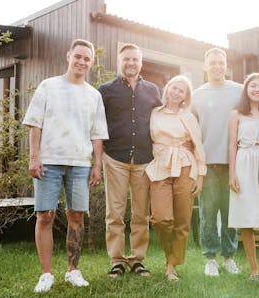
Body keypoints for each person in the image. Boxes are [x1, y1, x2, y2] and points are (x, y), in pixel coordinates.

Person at [23, 39, 108, 293]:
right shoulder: (49, 86)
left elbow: (97, 134)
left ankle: (73, 270)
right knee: (45, 215)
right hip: (48, 161)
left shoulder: (94, 95)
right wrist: (34, 157)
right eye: (78, 56)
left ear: (91, 63)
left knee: (76, 216)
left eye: (87, 59)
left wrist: (97, 165)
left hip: (80, 163)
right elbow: (35, 123)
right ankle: (46, 274)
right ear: (68, 56)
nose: (82, 61)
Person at [99, 43, 161, 278]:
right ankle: (116, 260)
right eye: (126, 59)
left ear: (141, 62)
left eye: (135, 59)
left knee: (141, 213)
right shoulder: (106, 90)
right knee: (114, 212)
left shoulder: (153, 90)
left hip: (145, 159)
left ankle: (137, 259)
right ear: (119, 62)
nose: (131, 63)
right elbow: (96, 123)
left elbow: (161, 120)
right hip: (115, 157)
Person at [145, 75, 206, 281]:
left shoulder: (189, 117)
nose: (176, 92)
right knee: (161, 219)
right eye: (174, 87)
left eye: (182, 90)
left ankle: (171, 265)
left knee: (182, 221)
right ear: (167, 89)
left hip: (186, 167)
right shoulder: (154, 113)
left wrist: (200, 177)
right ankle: (170, 255)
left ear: (185, 97)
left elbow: (198, 146)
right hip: (161, 166)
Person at [191, 47, 242, 276]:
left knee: (232, 212)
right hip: (207, 164)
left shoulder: (239, 91)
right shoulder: (197, 95)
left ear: (226, 65)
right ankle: (210, 258)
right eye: (212, 63)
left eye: (221, 63)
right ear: (205, 67)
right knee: (208, 212)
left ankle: (229, 257)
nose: (217, 66)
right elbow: (190, 129)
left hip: (234, 163)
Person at [228, 73, 259, 281]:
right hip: (244, 160)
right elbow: (232, 144)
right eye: (253, 86)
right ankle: (254, 269)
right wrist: (232, 173)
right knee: (246, 217)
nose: (257, 89)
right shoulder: (236, 115)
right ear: (246, 89)